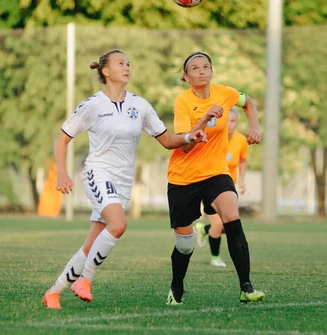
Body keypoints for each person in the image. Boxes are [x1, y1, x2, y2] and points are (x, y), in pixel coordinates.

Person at [42, 50, 206, 308]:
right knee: (118, 224)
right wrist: (61, 173)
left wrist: (188, 138)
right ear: (106, 71)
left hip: (122, 183)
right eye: (121, 63)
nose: (127, 67)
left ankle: (53, 292)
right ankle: (85, 279)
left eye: (129, 63)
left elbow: (166, 140)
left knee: (91, 245)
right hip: (98, 173)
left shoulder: (140, 105)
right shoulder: (92, 105)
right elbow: (62, 140)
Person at [165, 51, 265, 305]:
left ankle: (246, 287)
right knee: (185, 246)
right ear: (186, 76)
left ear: (212, 71)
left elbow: (247, 101)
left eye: (206, 66)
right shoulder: (182, 102)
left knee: (231, 216)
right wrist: (205, 118)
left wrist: (254, 125)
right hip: (183, 177)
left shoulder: (226, 93)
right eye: (195, 68)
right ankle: (176, 288)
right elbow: (184, 144)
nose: (201, 71)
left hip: (216, 173)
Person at [194, 108, 248, 267]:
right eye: (227, 121)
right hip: (211, 186)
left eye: (233, 121)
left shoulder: (241, 140)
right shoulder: (213, 138)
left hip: (229, 189)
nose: (230, 124)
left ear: (237, 124)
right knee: (218, 225)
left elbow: (243, 160)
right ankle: (215, 257)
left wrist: (242, 180)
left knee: (229, 225)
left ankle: (204, 230)